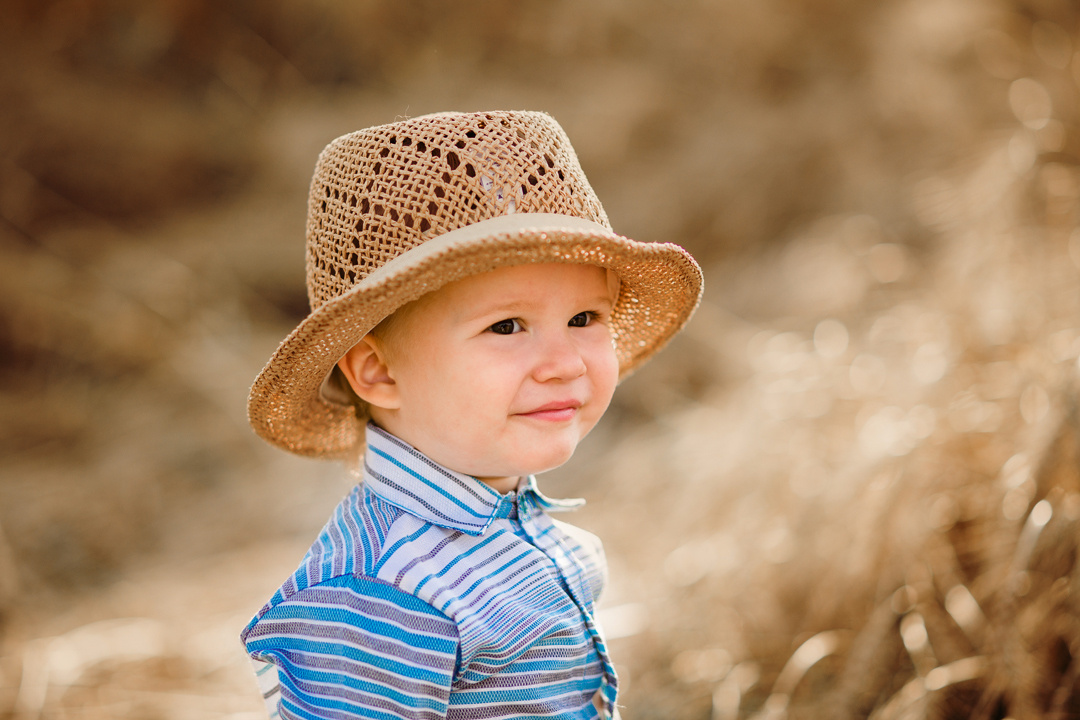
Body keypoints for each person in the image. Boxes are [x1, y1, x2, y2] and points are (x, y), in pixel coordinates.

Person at [240, 110, 702, 719]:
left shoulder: (530, 530)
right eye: (507, 325)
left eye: (585, 319)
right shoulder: (380, 596)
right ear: (379, 373)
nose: (564, 363)